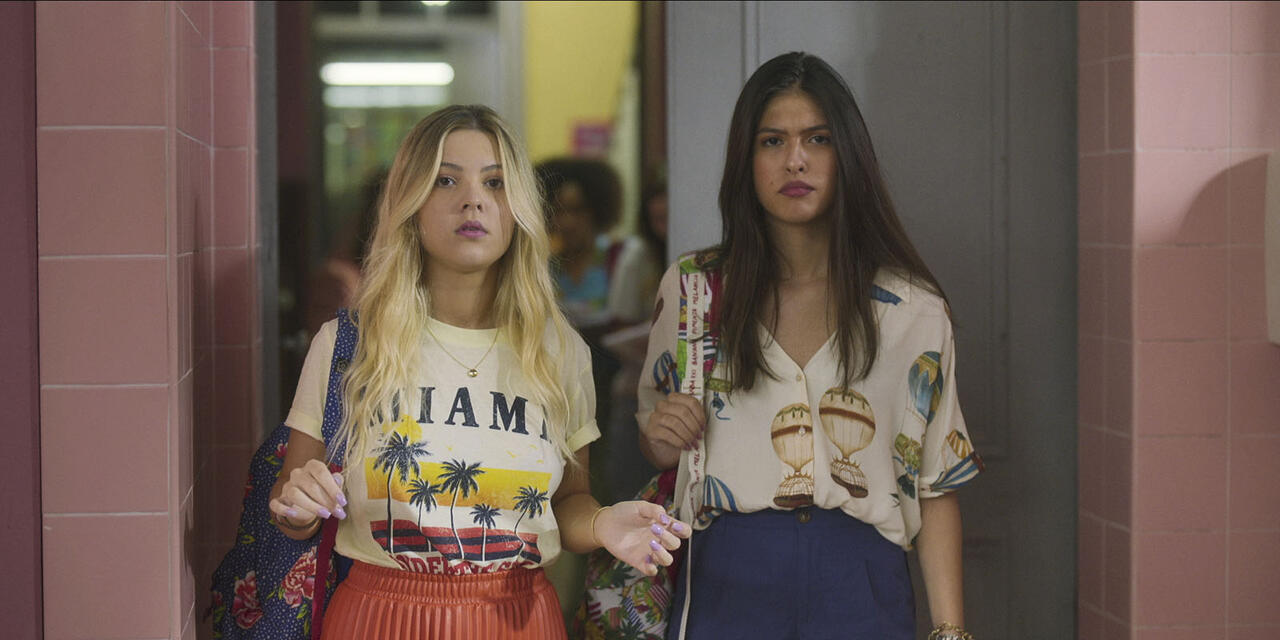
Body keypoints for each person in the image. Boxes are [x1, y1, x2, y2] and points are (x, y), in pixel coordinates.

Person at [268, 105, 690, 639]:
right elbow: (289, 506)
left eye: (495, 182)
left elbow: (568, 502)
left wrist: (603, 523)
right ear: (411, 203)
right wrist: (299, 505)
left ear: (519, 209)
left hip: (518, 619)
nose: (473, 200)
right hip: (377, 615)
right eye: (446, 180)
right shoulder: (349, 344)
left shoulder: (559, 351)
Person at [637, 53, 982, 640]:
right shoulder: (695, 290)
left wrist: (951, 633)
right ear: (746, 160)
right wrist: (660, 437)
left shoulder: (913, 310)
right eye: (772, 141)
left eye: (817, 139)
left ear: (848, 155)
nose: (794, 160)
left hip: (862, 579)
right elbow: (659, 444)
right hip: (727, 576)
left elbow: (936, 484)